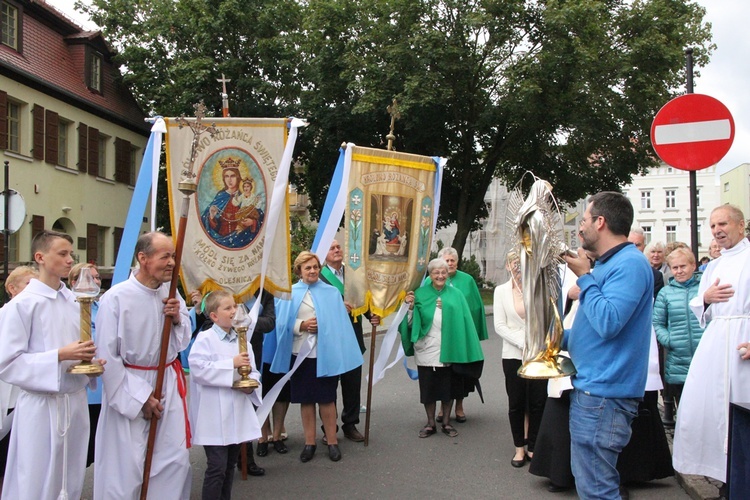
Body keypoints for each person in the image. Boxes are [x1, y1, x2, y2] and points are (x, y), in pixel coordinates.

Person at [562, 192, 653, 500]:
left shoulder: (629, 264)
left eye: (584, 221)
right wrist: (552, 339)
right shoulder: (607, 264)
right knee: (591, 486)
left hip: (604, 395)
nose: (580, 228)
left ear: (600, 222)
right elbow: (593, 331)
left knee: (597, 491)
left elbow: (609, 322)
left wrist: (585, 279)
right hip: (595, 391)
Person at [0, 230, 102, 499]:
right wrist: (58, 355)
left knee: (70, 479)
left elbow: (80, 347)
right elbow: (8, 363)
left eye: (71, 254)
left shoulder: (74, 301)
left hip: (74, 402)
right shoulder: (21, 306)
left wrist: (88, 359)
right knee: (36, 479)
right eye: (63, 253)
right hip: (41, 407)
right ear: (40, 257)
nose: (70, 260)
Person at [94, 232, 192, 500]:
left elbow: (182, 342)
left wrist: (178, 319)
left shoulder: (172, 294)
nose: (172, 262)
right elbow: (107, 357)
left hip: (168, 383)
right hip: (131, 385)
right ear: (143, 258)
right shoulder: (116, 299)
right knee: (127, 466)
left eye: (173, 256)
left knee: (173, 462)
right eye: (165, 256)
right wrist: (140, 399)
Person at [673, 204, 750, 487]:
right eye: (713, 226)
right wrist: (705, 297)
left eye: (723, 224)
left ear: (741, 226)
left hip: (743, 342)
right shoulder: (714, 266)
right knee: (713, 412)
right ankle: (727, 480)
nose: (717, 231)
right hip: (717, 344)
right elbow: (698, 307)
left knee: (741, 414)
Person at [270, 251, 363, 463]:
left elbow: (340, 323)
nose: (312, 271)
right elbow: (280, 322)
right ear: (299, 271)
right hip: (300, 353)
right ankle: (309, 443)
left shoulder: (330, 292)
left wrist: (326, 325)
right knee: (306, 400)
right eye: (307, 268)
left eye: (315, 267)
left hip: (325, 353)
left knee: (327, 399)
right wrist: (301, 325)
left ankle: (332, 442)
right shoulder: (289, 292)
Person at [188, 290, 262, 500]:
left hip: (236, 412)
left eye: (235, 307)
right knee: (217, 467)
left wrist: (251, 385)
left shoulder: (243, 340)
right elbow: (198, 369)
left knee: (230, 465)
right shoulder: (205, 339)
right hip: (213, 415)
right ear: (213, 316)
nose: (234, 311)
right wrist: (232, 365)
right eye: (228, 308)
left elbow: (253, 371)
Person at [400, 258, 484, 439]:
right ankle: (430, 423)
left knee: (449, 389)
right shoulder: (420, 294)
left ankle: (446, 422)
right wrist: (410, 308)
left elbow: (463, 321)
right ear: (430, 275)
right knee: (428, 389)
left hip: (450, 347)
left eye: (443, 272)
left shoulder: (456, 294)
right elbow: (409, 324)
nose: (440, 275)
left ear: (447, 274)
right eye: (436, 273)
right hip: (427, 348)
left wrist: (445, 309)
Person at [319, 241, 379, 444]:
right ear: (323, 254)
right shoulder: (318, 277)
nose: (336, 250)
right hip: (329, 341)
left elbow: (364, 299)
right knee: (329, 387)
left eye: (338, 247)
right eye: (331, 247)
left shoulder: (354, 274)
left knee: (352, 385)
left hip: (352, 337)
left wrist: (373, 315)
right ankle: (330, 427)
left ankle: (350, 423)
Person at [493, 252, 546, 467]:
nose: (518, 267)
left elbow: (546, 319)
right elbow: (499, 325)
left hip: (538, 355)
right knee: (516, 403)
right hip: (513, 355)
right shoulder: (500, 292)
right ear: (507, 266)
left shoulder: (538, 288)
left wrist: (535, 345)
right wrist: (523, 343)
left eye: (522, 264)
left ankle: (533, 447)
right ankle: (519, 448)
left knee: (537, 403)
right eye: (514, 263)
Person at [433, 247, 488, 424]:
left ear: (457, 262)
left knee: (461, 373)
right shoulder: (431, 279)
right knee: (442, 375)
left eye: (452, 260)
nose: (449, 264)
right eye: (446, 260)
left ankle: (459, 406)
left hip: (461, 335)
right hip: (440, 337)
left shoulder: (467, 280)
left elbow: (476, 306)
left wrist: (473, 333)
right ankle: (443, 407)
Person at [653, 248, 704, 423]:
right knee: (685, 412)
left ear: (693, 266)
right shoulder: (665, 293)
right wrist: (669, 340)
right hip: (677, 360)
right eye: (675, 268)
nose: (679, 271)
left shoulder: (704, 288)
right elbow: (657, 323)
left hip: (703, 357)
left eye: (683, 266)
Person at [0, 266, 38, 479]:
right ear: (12, 288)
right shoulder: (5, 314)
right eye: (28, 285)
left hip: (28, 393)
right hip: (8, 394)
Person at [69, 262, 103, 468]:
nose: (96, 281)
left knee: (98, 448)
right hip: (82, 388)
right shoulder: (71, 308)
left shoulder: (103, 306)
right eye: (91, 278)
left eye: (97, 277)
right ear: (75, 283)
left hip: (104, 386)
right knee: (81, 449)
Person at [201, 159, 265, 248]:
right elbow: (208, 223)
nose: (229, 180)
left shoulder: (245, 197)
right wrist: (211, 217)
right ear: (223, 179)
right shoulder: (220, 196)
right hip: (221, 241)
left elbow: (260, 216)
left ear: (238, 177)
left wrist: (253, 222)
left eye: (233, 176)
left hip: (242, 238)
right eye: (227, 176)